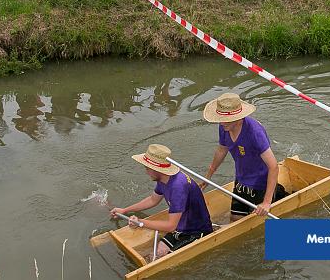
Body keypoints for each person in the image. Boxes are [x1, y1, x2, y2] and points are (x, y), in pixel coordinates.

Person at [111, 144, 213, 258]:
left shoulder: (178, 187)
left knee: (166, 259)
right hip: (181, 228)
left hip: (197, 231)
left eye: (147, 168)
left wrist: (140, 222)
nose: (146, 171)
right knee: (154, 255)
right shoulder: (163, 179)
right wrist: (125, 210)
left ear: (156, 169)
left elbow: (170, 226)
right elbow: (152, 200)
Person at [201, 93, 287, 222]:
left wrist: (266, 203)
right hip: (241, 180)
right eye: (220, 119)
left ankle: (277, 193)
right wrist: (208, 177)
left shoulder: (254, 132)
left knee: (256, 221)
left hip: (260, 183)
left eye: (225, 120)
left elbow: (273, 166)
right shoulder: (224, 127)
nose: (221, 123)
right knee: (234, 219)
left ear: (238, 118)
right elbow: (221, 150)